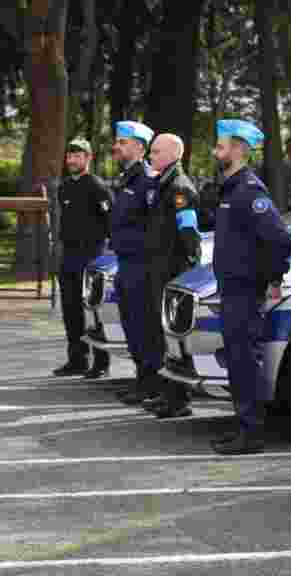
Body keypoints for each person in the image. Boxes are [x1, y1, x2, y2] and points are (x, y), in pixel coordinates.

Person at [210, 119, 291, 455]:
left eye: (221, 145)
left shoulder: (249, 192)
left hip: (245, 292)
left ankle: (252, 432)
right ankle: (243, 427)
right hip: (232, 290)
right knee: (237, 361)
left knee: (245, 362)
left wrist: (273, 278)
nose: (216, 151)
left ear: (239, 149)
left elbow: (280, 241)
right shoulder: (231, 188)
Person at [138, 133, 202, 419]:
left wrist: (188, 269)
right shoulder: (162, 184)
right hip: (159, 268)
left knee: (173, 337)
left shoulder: (179, 188)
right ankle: (168, 394)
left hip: (173, 271)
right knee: (162, 336)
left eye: (155, 151)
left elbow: (189, 234)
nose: (150, 155)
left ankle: (179, 399)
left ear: (173, 154)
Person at [53, 138, 113, 378]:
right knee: (70, 310)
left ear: (88, 158)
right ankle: (77, 359)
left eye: (78, 156)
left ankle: (101, 363)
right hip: (69, 255)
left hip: (91, 256)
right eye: (70, 156)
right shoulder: (64, 186)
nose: (72, 160)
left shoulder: (97, 186)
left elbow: (110, 220)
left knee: (93, 310)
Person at [108, 121, 157, 405]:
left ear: (139, 147)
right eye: (117, 141)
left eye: (123, 142)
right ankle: (142, 380)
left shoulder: (147, 179)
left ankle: (150, 383)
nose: (117, 146)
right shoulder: (127, 177)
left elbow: (152, 226)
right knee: (131, 326)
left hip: (141, 265)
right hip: (125, 263)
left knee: (143, 327)